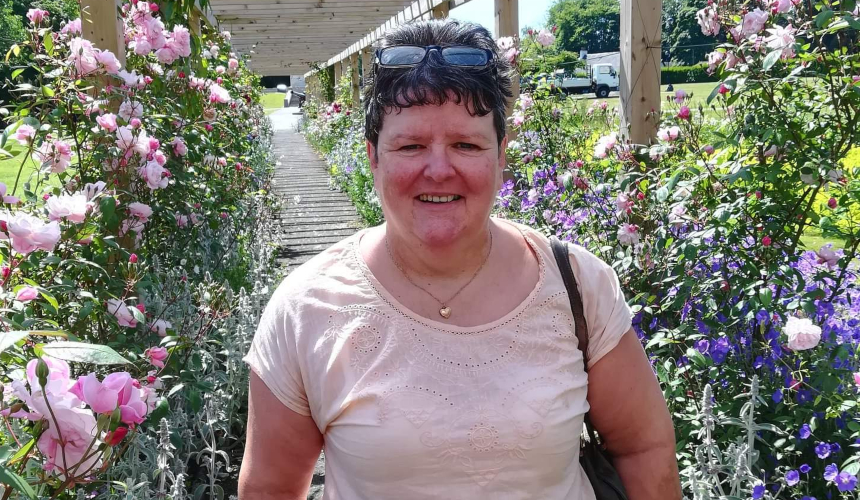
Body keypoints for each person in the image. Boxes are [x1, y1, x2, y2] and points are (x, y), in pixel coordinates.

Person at [239, 19, 681, 500]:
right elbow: (271, 488)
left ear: (500, 156)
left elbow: (643, 447)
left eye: (466, 145)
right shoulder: (307, 307)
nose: (439, 169)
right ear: (373, 157)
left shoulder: (576, 284)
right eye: (410, 146)